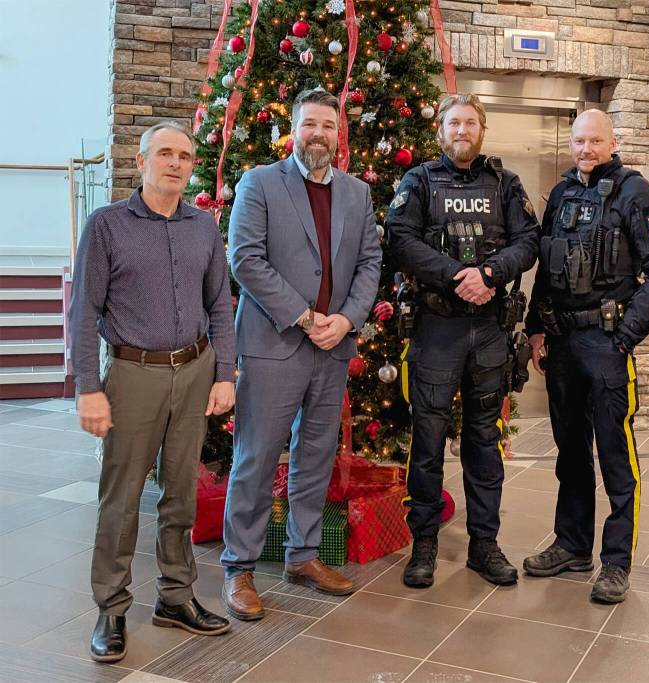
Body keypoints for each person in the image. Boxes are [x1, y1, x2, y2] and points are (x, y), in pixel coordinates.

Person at [71, 121, 235, 663]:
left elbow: (219, 304)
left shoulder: (203, 227)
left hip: (194, 372)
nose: (175, 163)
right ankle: (111, 607)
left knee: (181, 492)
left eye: (184, 156)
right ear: (141, 162)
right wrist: (88, 387)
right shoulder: (107, 225)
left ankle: (176, 597)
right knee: (121, 498)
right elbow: (84, 311)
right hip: (133, 374)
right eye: (164, 153)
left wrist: (225, 374)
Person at [221, 89, 382, 619]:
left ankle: (303, 555)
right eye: (310, 124)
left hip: (333, 347)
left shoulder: (357, 193)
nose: (319, 133)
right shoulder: (260, 183)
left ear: (339, 134)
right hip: (274, 345)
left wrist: (347, 320)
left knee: (315, 455)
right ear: (293, 130)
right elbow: (246, 260)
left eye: (328, 126)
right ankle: (239, 566)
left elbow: (370, 263)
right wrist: (306, 317)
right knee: (256, 456)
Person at [522, 109, 649, 604]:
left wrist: (627, 336)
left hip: (608, 343)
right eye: (578, 141)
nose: (586, 149)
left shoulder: (636, 193)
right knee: (570, 451)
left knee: (615, 454)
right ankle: (572, 545)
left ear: (613, 142)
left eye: (595, 141)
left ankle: (616, 561)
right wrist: (534, 329)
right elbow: (546, 267)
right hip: (563, 342)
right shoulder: (562, 193)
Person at [387, 93, 539, 588]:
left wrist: (489, 273)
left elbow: (529, 241)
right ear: (441, 130)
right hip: (437, 327)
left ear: (482, 130)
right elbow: (400, 240)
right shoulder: (419, 180)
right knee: (428, 440)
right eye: (454, 122)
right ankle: (424, 544)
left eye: (470, 122)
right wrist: (458, 276)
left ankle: (484, 545)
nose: (462, 130)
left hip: (490, 329)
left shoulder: (505, 183)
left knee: (484, 440)